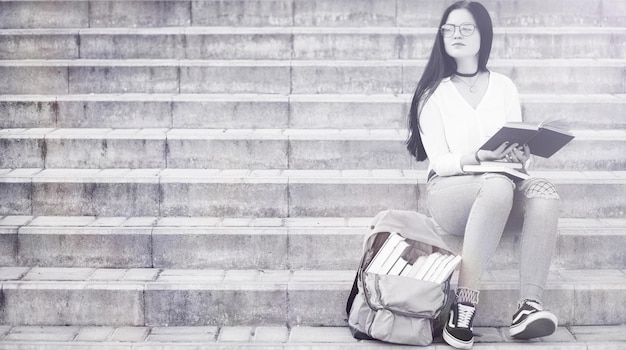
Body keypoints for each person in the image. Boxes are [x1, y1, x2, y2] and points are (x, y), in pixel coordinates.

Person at [405, 1, 560, 349]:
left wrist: (522, 158)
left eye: (465, 28)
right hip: (450, 193)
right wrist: (479, 156)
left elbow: (514, 146)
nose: (455, 34)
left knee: (543, 191)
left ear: (483, 34)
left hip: (501, 187)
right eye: (449, 29)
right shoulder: (432, 94)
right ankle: (463, 307)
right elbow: (440, 161)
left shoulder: (504, 86)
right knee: (496, 185)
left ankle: (528, 307)